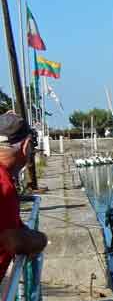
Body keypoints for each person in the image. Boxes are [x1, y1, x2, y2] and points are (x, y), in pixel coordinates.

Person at [0, 113, 47, 277]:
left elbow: (10, 227)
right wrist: (41, 240)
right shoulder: (3, 184)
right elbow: (13, 241)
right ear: (26, 146)